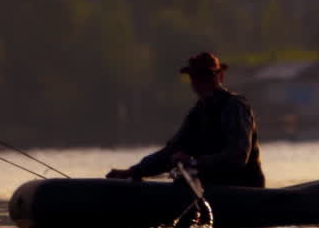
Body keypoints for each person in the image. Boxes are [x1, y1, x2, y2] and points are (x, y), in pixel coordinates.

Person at [107, 51, 264, 188]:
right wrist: (133, 171)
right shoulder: (198, 113)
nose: (199, 81)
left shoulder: (235, 106)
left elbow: (238, 156)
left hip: (244, 189)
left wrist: (194, 162)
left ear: (220, 76)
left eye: (206, 76)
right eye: (195, 76)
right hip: (213, 188)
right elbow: (171, 152)